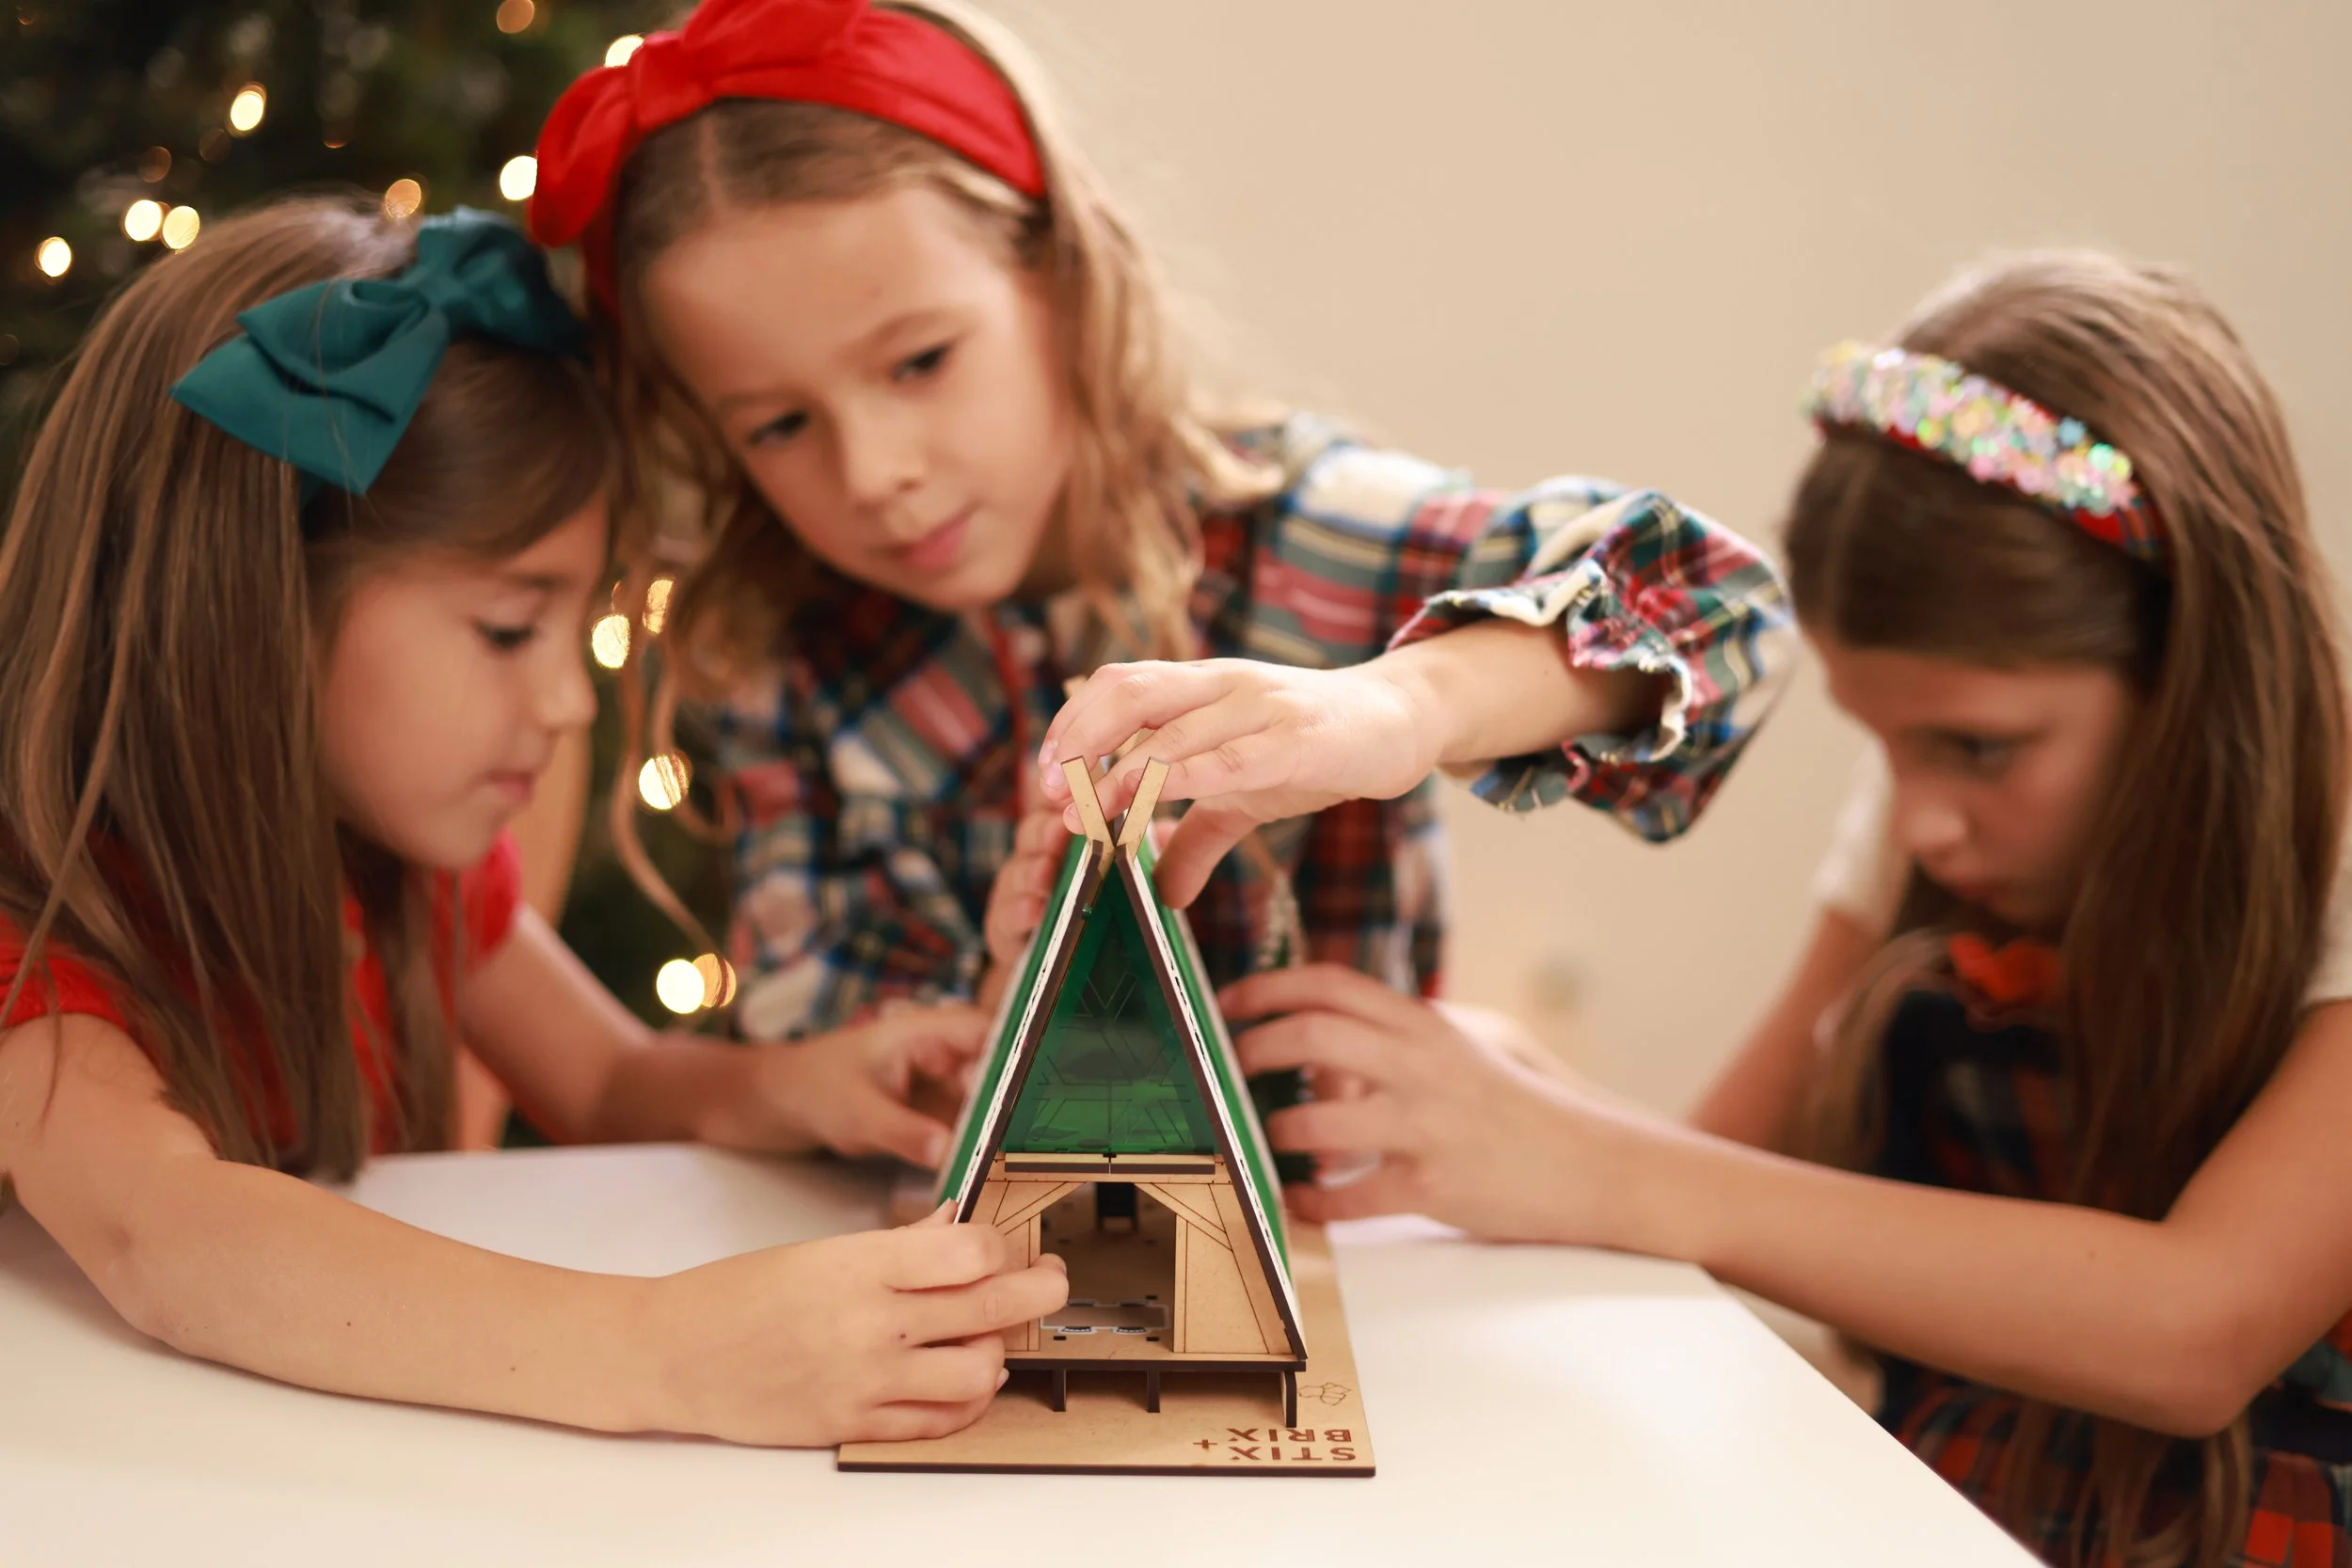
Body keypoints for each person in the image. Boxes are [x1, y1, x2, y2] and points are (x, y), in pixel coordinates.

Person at [1066, 252, 2352, 1566]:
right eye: (1885, 748)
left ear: (2193, 670)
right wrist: (1517, 1087)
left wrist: (1590, 1154)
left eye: (1980, 748)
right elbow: (1734, 1165)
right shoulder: (1942, 812)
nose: (1920, 823)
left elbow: (2198, 1333)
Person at [0, 197, 1064, 1448]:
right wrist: (665, 1351)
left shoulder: (388, 852)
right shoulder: (37, 907)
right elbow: (163, 1233)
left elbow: (608, 1081)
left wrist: (799, 1085)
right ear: (251, 613)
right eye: (509, 629)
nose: (570, 703)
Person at [522, 0, 1795, 1043]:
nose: (875, 473)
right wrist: (995, 1005)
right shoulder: (778, 656)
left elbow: (1722, 613)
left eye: (919, 362)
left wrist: (1402, 707)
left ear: (1062, 272)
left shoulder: (1303, 532)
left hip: (1350, 1248)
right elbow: (811, 1025)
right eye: (778, 425)